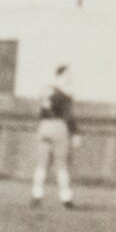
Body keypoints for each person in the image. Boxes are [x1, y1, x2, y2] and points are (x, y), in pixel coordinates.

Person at [32, 68, 77, 206]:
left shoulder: (45, 90)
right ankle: (66, 198)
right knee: (62, 164)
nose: (69, 78)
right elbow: (69, 115)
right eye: (67, 75)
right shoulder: (65, 94)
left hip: (44, 127)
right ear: (60, 75)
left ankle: (36, 195)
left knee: (42, 163)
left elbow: (41, 108)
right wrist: (75, 133)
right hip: (59, 126)